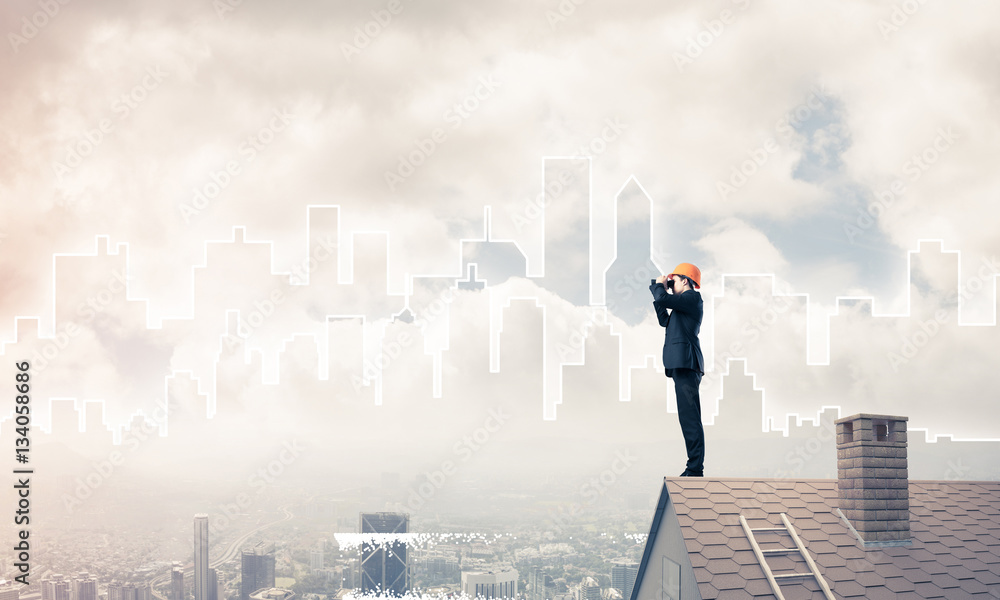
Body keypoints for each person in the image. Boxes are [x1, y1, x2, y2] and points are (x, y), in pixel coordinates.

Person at [650, 263, 705, 477]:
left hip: (687, 363)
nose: (671, 286)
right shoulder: (681, 307)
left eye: (674, 282)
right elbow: (664, 320)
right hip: (681, 365)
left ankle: (695, 468)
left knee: (690, 417)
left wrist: (659, 287)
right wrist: (658, 290)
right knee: (686, 417)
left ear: (685, 280)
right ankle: (694, 466)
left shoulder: (692, 298)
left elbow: (663, 299)